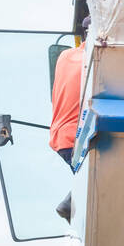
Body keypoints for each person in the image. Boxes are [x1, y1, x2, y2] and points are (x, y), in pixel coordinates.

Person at [50, 16, 87, 221]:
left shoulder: (65, 56)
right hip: (77, 138)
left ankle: (71, 201)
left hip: (61, 136)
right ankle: (70, 202)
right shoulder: (94, 58)